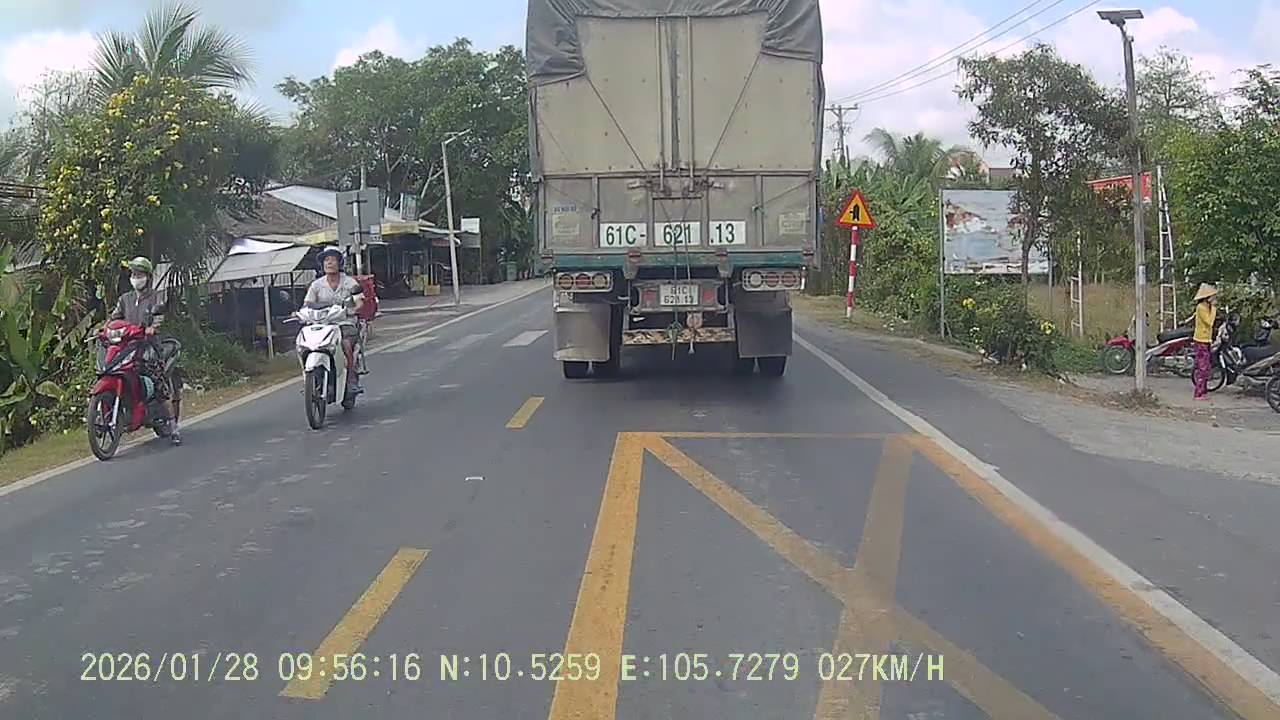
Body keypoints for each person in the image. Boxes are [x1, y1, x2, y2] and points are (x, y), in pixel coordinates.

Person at [109, 256, 181, 444]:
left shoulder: (155, 296)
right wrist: (104, 328)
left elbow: (159, 316)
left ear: (147, 277)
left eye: (139, 274)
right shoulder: (125, 299)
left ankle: (173, 427)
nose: (136, 278)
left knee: (159, 385)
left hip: (149, 348)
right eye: (133, 274)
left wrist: (152, 327)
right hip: (127, 348)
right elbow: (114, 318)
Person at [303, 247, 365, 392]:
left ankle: (350, 380)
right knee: (306, 345)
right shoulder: (316, 285)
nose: (329, 263)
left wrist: (352, 310)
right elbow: (307, 304)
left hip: (344, 323)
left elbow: (359, 302)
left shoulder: (349, 282)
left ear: (340, 263)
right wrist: (300, 313)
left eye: (333, 260)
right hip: (322, 325)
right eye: (326, 260)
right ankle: (310, 380)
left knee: (345, 344)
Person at [1192, 282, 1219, 400]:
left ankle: (1203, 391)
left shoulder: (1206, 307)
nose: (1214, 298)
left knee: (1207, 367)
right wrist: (1214, 309)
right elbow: (1210, 322)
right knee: (1202, 367)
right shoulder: (1201, 308)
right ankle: (1198, 393)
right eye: (1213, 296)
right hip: (1201, 340)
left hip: (1206, 339)